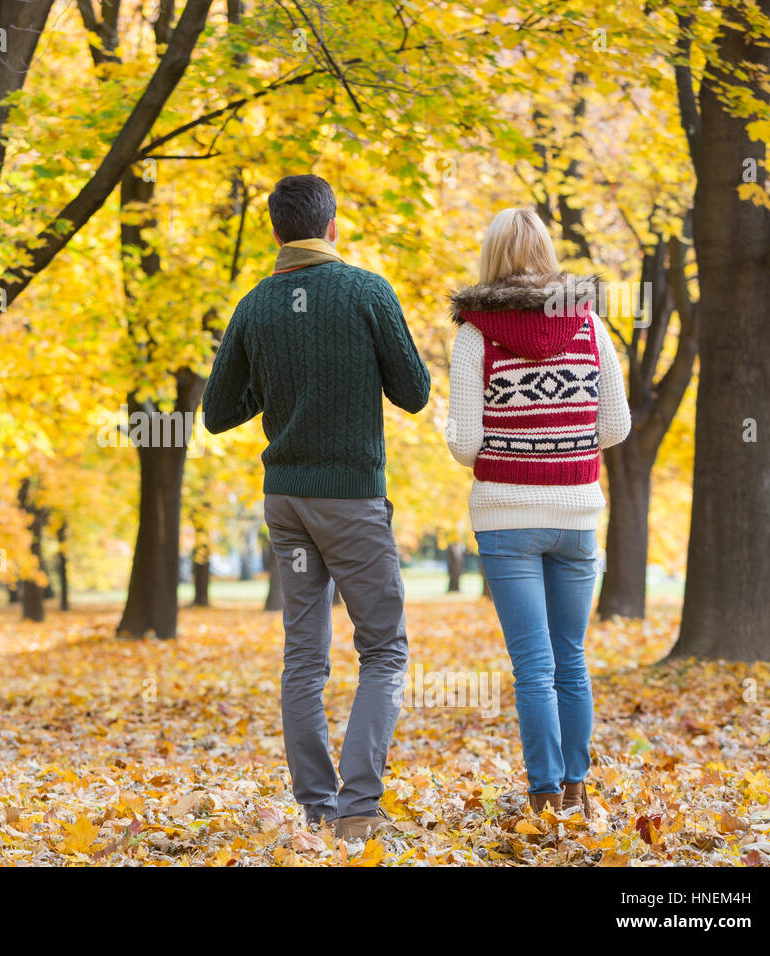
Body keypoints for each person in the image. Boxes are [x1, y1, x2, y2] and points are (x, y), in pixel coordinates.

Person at [201, 174, 431, 840]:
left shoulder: (255, 306)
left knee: (304, 655)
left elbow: (218, 413)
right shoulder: (366, 292)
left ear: (275, 232)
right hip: (351, 502)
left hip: (286, 504)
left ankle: (315, 806)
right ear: (333, 226)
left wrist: (282, 393)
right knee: (383, 650)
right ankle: (358, 807)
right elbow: (413, 392)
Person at [444, 207, 631, 817]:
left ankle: (544, 793)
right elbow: (617, 425)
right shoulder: (589, 328)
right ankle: (578, 786)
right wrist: (563, 444)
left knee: (533, 665)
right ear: (548, 255)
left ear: (491, 258)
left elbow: (463, 444)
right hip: (576, 513)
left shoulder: (473, 335)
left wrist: (515, 438)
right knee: (571, 657)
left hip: (505, 516)